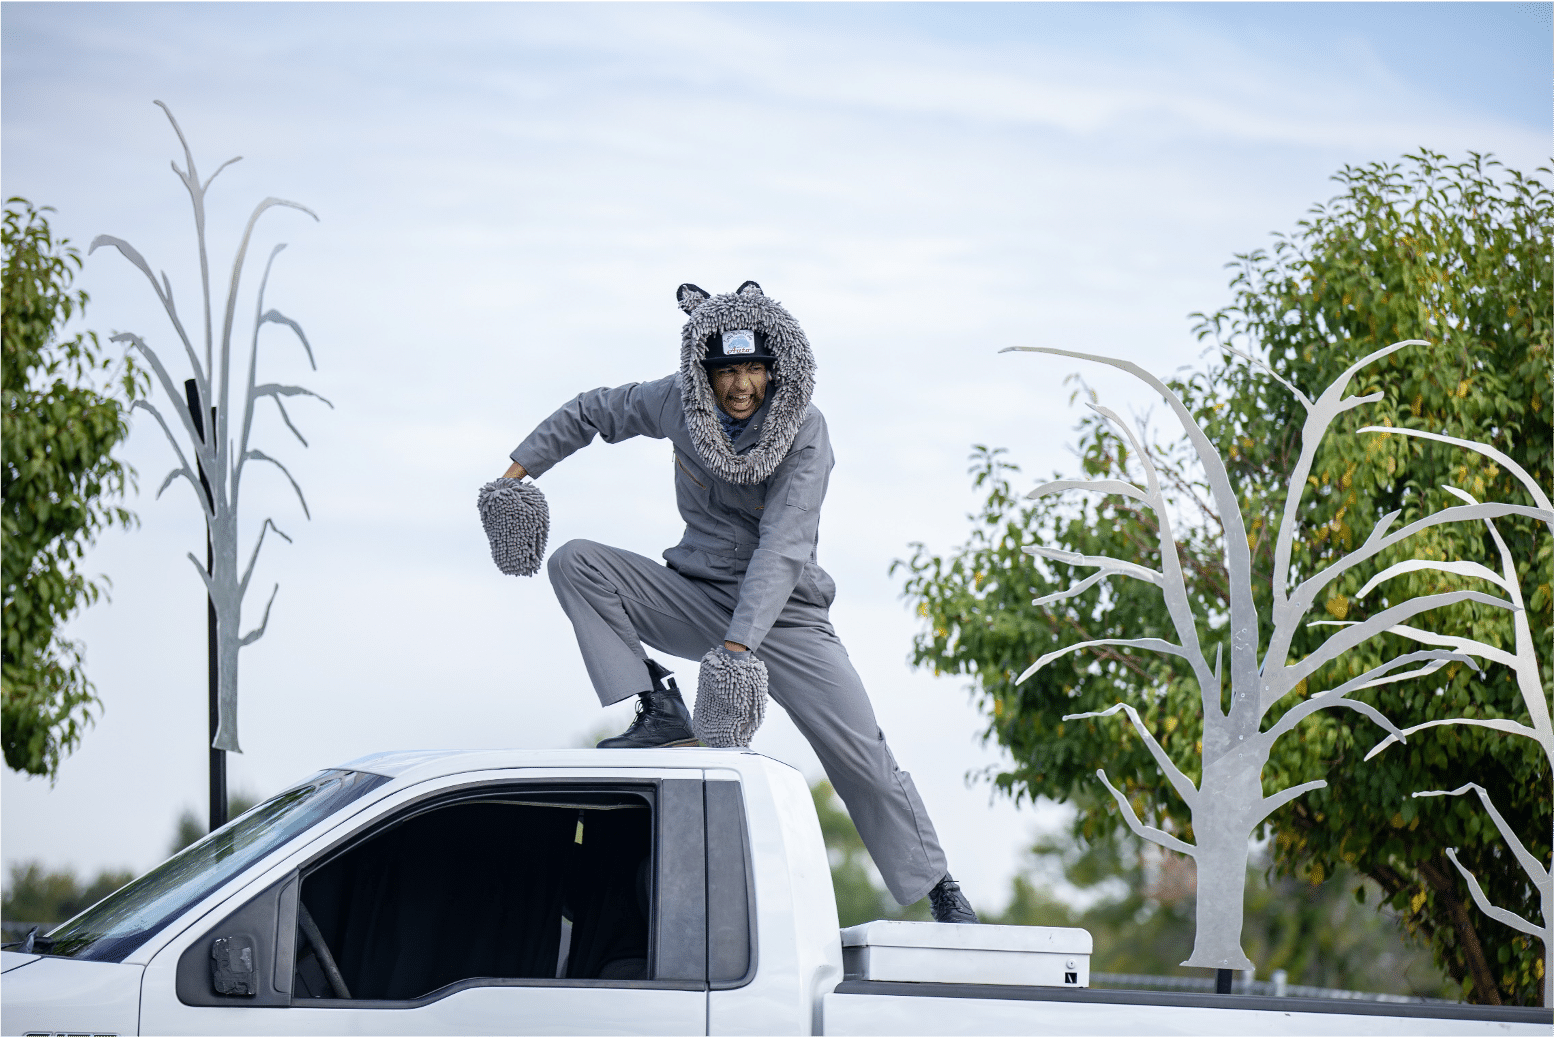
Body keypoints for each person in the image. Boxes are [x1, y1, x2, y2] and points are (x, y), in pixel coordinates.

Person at [500, 280, 977, 923]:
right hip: (696, 596)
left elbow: (783, 545)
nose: (740, 385)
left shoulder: (806, 431)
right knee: (577, 562)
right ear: (704, 372)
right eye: (726, 370)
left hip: (786, 617)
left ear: (776, 369)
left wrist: (737, 650)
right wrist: (513, 479)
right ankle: (660, 709)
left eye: (753, 368)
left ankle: (940, 888)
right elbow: (593, 411)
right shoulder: (674, 404)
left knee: (861, 753)